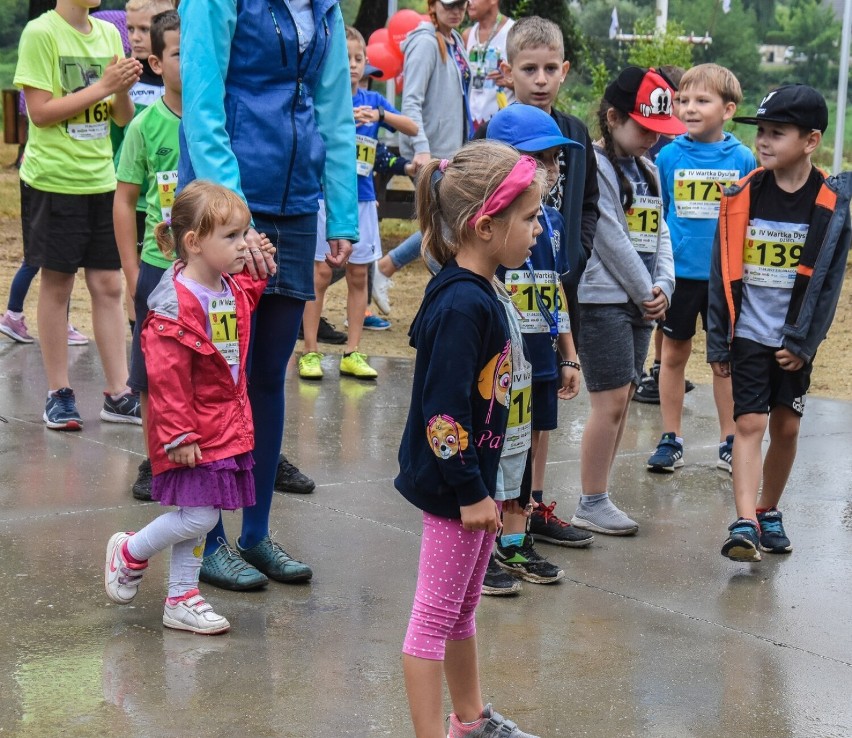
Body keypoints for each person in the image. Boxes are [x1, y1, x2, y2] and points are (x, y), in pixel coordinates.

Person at [178, 0, 358, 590]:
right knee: (214, 374)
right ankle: (206, 541)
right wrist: (233, 219)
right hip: (223, 205)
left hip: (296, 202)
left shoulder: (326, 8)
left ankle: (255, 534)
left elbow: (334, 109)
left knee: (267, 374)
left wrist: (343, 212)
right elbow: (202, 106)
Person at [397, 140, 545, 738]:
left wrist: (498, 487)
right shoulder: (462, 303)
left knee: (462, 609)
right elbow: (442, 415)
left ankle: (471, 721)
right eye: (530, 218)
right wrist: (470, 491)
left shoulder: (481, 289)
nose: (538, 231)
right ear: (486, 226)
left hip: (476, 482)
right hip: (455, 487)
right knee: (432, 621)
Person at [104, 180, 277, 633]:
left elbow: (246, 304)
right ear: (194, 243)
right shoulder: (173, 307)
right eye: (233, 237)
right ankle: (131, 551)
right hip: (192, 429)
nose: (244, 244)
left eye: (245, 234)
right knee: (200, 514)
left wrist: (259, 271)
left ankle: (181, 596)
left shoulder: (226, 286)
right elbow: (166, 380)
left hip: (221, 421)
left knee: (202, 515)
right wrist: (178, 434)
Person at [708, 85, 851, 561]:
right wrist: (718, 342)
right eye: (761, 133)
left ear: (811, 141)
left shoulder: (831, 205)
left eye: (776, 133)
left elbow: (828, 287)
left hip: (793, 343)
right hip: (747, 333)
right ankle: (745, 521)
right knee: (749, 423)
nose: (764, 142)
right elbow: (720, 272)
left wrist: (805, 344)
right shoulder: (742, 196)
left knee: (786, 428)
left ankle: (769, 510)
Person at [481, 16, 601, 545]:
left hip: (552, 282)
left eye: (551, 68)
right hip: (505, 296)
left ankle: (531, 507)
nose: (541, 79)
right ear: (508, 72)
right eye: (530, 68)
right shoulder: (495, 135)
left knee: (539, 415)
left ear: (565, 71)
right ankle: (498, 518)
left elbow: (591, 204)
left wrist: (573, 251)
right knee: (502, 413)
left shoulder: (574, 135)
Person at [14, 0, 144, 431]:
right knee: (57, 284)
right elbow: (41, 112)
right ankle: (59, 393)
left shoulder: (109, 33)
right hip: (53, 182)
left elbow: (122, 117)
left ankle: (119, 392)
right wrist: (105, 84)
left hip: (101, 180)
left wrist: (121, 87)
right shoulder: (40, 32)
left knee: (108, 285)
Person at [570, 67, 681, 536]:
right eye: (644, 128)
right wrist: (644, 291)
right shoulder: (595, 167)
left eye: (660, 132)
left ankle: (601, 495)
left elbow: (662, 235)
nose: (652, 140)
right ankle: (591, 500)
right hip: (604, 300)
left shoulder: (651, 170)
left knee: (626, 395)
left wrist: (664, 287)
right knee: (610, 401)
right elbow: (609, 237)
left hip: (642, 302)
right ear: (613, 117)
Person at [486, 104, 586, 594]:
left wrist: (568, 353)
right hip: (503, 362)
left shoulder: (553, 220)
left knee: (526, 450)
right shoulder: (491, 224)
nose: (552, 170)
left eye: (555, 160)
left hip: (542, 361)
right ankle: (479, 547)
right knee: (493, 447)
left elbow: (556, 289)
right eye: (542, 158)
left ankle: (515, 540)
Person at [646, 63, 756, 473]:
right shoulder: (668, 155)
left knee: (722, 361)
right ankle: (670, 437)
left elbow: (749, 220)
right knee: (672, 356)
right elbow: (661, 216)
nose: (690, 108)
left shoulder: (743, 158)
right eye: (683, 100)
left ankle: (730, 440)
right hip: (679, 278)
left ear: (727, 110)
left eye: (702, 101)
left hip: (724, 280)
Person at [299, 26, 417, 381]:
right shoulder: (322, 99)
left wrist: (380, 117)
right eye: (344, 57)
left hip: (363, 201)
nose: (351, 65)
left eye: (357, 58)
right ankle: (309, 351)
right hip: (324, 198)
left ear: (366, 62)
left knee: (358, 274)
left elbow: (410, 127)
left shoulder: (373, 101)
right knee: (319, 273)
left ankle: (353, 351)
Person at [114, 9, 182, 501]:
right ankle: (154, 459)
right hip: (157, 269)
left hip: (213, 272)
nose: (191, 63)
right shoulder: (145, 126)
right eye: (180, 54)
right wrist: (133, 268)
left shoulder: (218, 122)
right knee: (152, 371)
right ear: (156, 64)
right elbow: (124, 201)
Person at [113, 0, 175, 330]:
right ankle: (138, 333)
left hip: (172, 202)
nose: (137, 37)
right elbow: (122, 121)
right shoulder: (126, 73)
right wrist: (120, 90)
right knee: (136, 278)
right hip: (137, 195)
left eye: (146, 28)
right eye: (131, 28)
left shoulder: (182, 77)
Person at [463, 0, 514, 131]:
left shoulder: (514, 33)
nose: (469, 2)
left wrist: (510, 81)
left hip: (504, 126)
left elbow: (532, 81)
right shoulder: (467, 35)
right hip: (471, 125)